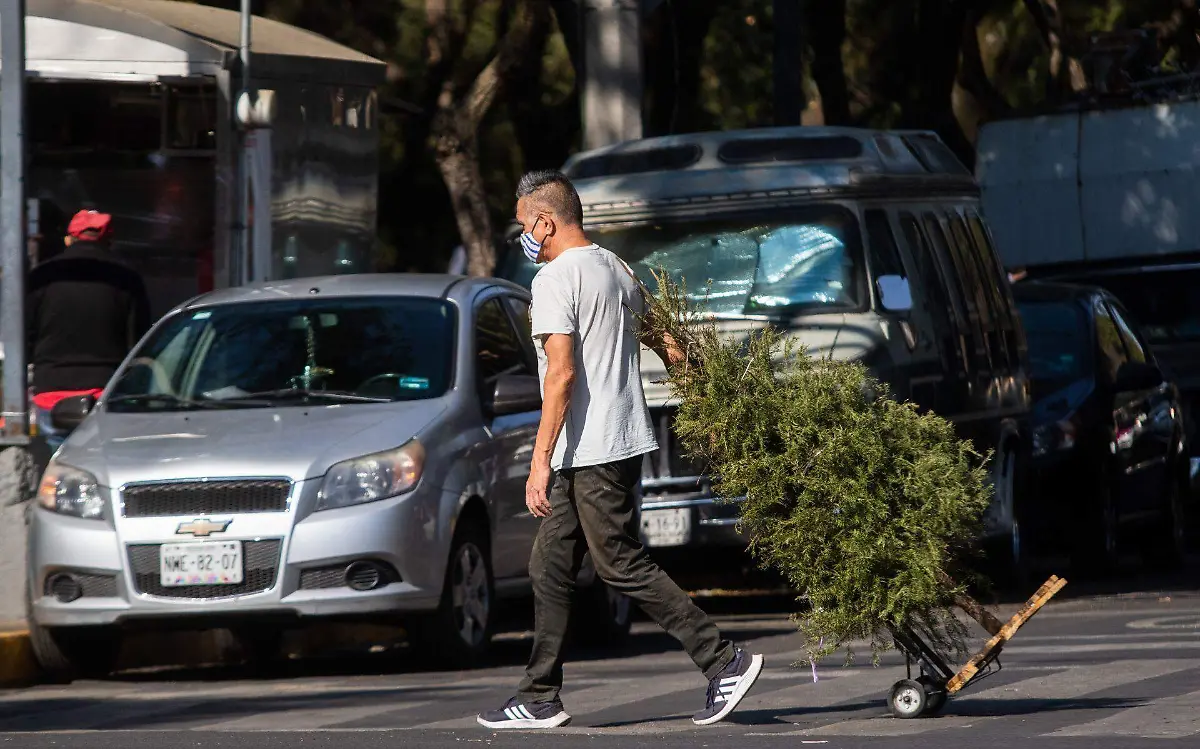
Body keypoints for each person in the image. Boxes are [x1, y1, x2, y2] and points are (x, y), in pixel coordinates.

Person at [477, 171, 764, 730]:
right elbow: (667, 338)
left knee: (619, 563)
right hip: (612, 441)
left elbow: (560, 375)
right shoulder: (616, 267)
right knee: (550, 564)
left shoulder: (556, 279)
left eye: (523, 226)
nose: (524, 238)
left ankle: (724, 659)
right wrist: (700, 388)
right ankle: (539, 695)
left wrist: (538, 462)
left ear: (545, 221)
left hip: (592, 448)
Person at [27, 209, 151, 449]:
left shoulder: (42, 276)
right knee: (101, 463)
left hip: (52, 390)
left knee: (59, 460)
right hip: (105, 389)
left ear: (68, 239)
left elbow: (25, 334)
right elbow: (138, 339)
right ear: (109, 241)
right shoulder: (127, 278)